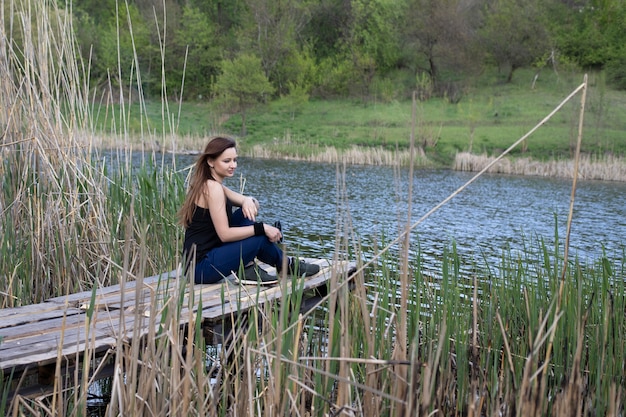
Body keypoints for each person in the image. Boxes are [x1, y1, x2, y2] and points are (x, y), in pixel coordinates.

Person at [179, 135, 320, 284]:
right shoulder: (212, 188)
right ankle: (284, 265)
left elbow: (254, 205)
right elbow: (225, 235)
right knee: (258, 237)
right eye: (226, 161)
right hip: (200, 269)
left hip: (211, 256)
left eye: (235, 160)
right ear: (210, 161)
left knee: (246, 214)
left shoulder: (211, 184)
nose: (233, 165)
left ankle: (252, 268)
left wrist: (247, 200)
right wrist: (262, 228)